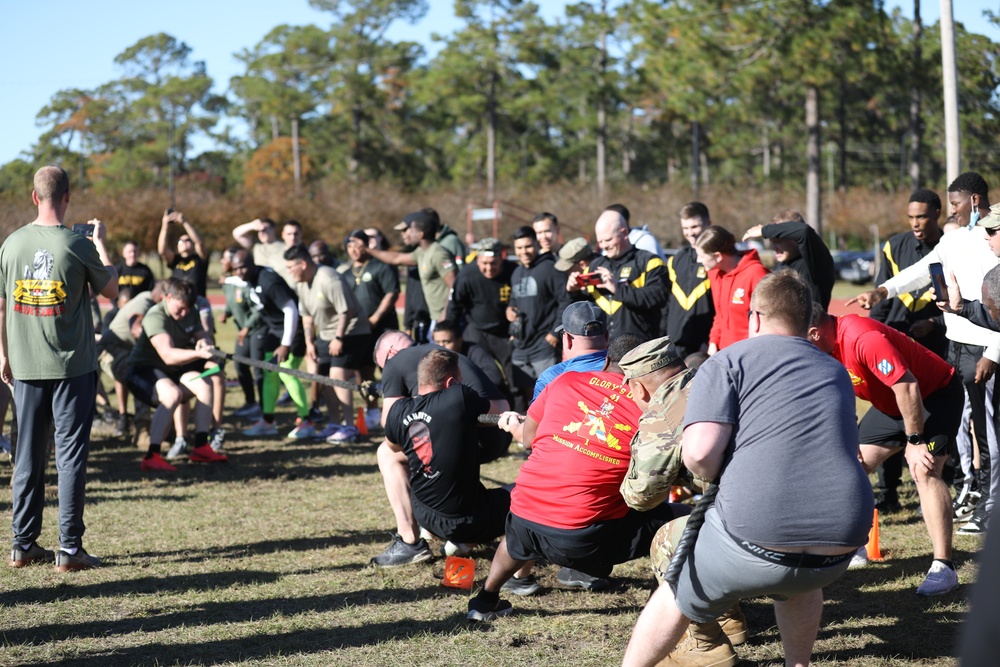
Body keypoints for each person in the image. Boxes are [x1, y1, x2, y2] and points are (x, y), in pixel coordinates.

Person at [622, 271, 872, 667]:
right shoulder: (834, 370)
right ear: (808, 321)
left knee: (675, 582)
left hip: (758, 535)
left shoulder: (726, 362)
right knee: (798, 581)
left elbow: (699, 454)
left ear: (754, 317)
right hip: (841, 544)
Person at [466, 343, 687, 622]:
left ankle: (485, 600)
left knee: (521, 527)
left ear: (606, 360)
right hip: (585, 539)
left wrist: (513, 425)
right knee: (688, 523)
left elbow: (528, 439)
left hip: (524, 515)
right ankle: (659, 617)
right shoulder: (651, 409)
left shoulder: (565, 380)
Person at [848, 171, 1000, 537]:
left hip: (986, 350)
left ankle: (991, 506)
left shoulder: (992, 239)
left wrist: (993, 353)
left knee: (991, 433)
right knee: (969, 431)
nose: (953, 211)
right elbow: (920, 270)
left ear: (974, 202)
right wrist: (883, 291)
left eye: (955, 204)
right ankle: (975, 491)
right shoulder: (955, 239)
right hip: (958, 346)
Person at [2, 165, 118, 572]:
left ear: (34, 196)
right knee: (69, 458)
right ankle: (69, 550)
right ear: (67, 196)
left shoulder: (11, 244)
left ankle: (22, 544)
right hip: (72, 368)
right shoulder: (78, 245)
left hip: (26, 366)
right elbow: (113, 290)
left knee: (27, 457)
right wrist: (100, 245)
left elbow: (2, 307)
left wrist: (4, 355)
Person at [809, 307, 962, 594]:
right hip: (891, 405)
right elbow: (834, 394)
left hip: (933, 395)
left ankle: (944, 567)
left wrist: (915, 441)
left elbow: (907, 386)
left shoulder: (862, 337)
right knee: (850, 466)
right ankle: (855, 546)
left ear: (815, 332)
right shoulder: (821, 347)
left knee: (923, 470)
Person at [370, 331, 510, 566]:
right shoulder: (439, 354)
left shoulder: (394, 362)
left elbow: (389, 427)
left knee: (386, 453)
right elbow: (501, 406)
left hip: (470, 430)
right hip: (496, 433)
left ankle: (410, 540)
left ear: (391, 353)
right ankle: (460, 536)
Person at [126, 278, 227, 472]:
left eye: (188, 309)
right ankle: (151, 456)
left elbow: (202, 337)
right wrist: (198, 354)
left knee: (205, 385)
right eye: (180, 309)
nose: (184, 314)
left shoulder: (190, 311)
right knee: (172, 395)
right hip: (143, 371)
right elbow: (168, 355)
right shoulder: (155, 316)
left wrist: (205, 344)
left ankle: (200, 447)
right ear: (168, 297)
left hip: (172, 371)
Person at [285, 243, 372, 443]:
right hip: (325, 334)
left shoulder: (329, 278)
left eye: (291, 267)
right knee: (323, 379)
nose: (289, 272)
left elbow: (346, 311)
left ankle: (349, 427)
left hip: (352, 331)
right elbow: (306, 316)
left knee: (337, 375)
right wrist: (309, 342)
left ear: (303, 264)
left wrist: (339, 338)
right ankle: (334, 424)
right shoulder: (300, 283)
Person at [230, 249, 314, 439]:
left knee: (286, 373)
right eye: (236, 268)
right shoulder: (249, 280)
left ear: (252, 264)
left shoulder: (268, 281)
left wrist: (286, 343)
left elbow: (291, 310)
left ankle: (306, 421)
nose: (240, 271)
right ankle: (268, 421)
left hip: (292, 331)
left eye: (243, 267)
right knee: (270, 375)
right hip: (274, 331)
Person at [567, 210, 668, 339]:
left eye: (608, 240)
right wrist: (573, 291)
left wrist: (618, 289)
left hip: (640, 347)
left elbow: (658, 297)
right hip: (604, 350)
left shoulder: (649, 261)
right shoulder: (594, 266)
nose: (604, 246)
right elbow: (583, 309)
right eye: (600, 242)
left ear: (624, 232)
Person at [338, 229, 400, 428]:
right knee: (364, 371)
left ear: (366, 245)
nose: (354, 250)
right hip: (360, 331)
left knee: (390, 370)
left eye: (358, 245)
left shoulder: (380, 267)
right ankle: (372, 409)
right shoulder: (345, 274)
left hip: (383, 328)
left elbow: (391, 294)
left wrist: (375, 318)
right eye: (350, 246)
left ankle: (395, 410)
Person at [446, 237, 516, 404]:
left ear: (501, 258)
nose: (488, 268)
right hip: (475, 330)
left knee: (515, 377)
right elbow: (453, 307)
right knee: (481, 375)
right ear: (478, 260)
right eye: (484, 263)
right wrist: (451, 336)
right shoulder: (466, 275)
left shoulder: (513, 271)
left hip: (504, 332)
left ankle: (519, 416)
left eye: (493, 263)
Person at [508, 227, 566, 409]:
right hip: (521, 345)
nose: (523, 252)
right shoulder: (516, 272)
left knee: (551, 391)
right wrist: (510, 309)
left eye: (528, 246)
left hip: (544, 344)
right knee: (527, 391)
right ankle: (533, 433)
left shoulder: (550, 268)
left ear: (536, 244)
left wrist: (555, 333)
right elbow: (514, 300)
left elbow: (566, 300)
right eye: (519, 248)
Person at [97, 282, 165, 437]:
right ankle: (142, 431)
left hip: (124, 350)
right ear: (163, 297)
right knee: (139, 375)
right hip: (110, 350)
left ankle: (136, 424)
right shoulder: (145, 302)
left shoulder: (147, 300)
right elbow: (136, 328)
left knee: (139, 370)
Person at [370, 209, 456, 325]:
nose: (407, 234)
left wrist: (445, 314)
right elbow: (396, 258)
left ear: (421, 234)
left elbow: (454, 285)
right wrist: (367, 250)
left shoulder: (438, 254)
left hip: (445, 318)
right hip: (435, 317)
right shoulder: (421, 252)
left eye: (411, 231)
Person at [695, 225, 769, 353]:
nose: (698, 260)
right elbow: (720, 314)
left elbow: (768, 322)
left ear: (718, 256)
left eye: (701, 256)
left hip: (750, 354)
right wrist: (713, 342)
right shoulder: (715, 273)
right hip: (725, 354)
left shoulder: (756, 274)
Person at [742, 210, 835, 309]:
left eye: (778, 241)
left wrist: (764, 230)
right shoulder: (782, 263)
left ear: (794, 237)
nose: (774, 247)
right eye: (772, 242)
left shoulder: (815, 262)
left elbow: (804, 231)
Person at [663, 202, 715, 358]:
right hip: (675, 343)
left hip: (703, 346)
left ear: (708, 224)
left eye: (694, 227)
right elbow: (667, 304)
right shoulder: (676, 259)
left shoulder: (717, 259)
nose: (690, 233)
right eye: (685, 228)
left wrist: (710, 340)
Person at [531, 301, 610, 402]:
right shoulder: (627, 371)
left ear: (567, 339)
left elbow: (535, 417)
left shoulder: (550, 378)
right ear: (607, 336)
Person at [219, 246, 263, 420]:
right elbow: (232, 303)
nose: (222, 262)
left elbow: (258, 309)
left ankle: (263, 407)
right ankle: (250, 402)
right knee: (239, 364)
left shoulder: (245, 283)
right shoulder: (228, 283)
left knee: (259, 368)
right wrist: (226, 313)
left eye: (224, 258)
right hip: (242, 332)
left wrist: (247, 327)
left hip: (256, 330)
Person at [432, 319, 507, 395]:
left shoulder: (476, 352)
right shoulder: (433, 356)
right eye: (437, 342)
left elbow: (495, 377)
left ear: (459, 341)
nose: (441, 346)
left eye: (446, 342)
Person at [158, 209, 209, 297]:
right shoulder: (175, 260)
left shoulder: (199, 258)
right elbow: (162, 250)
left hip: (197, 299)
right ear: (177, 247)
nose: (184, 242)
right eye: (180, 241)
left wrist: (185, 222)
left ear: (193, 244)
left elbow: (199, 243)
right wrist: (165, 225)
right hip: (179, 298)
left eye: (188, 240)